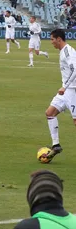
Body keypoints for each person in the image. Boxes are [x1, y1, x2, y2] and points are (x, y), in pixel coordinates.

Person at [45, 29, 76, 160]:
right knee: (50, 113)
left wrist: (65, 86)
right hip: (65, 91)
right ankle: (56, 145)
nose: (51, 42)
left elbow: (75, 70)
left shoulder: (68, 51)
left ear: (59, 39)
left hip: (73, 90)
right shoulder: (62, 52)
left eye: (52, 39)